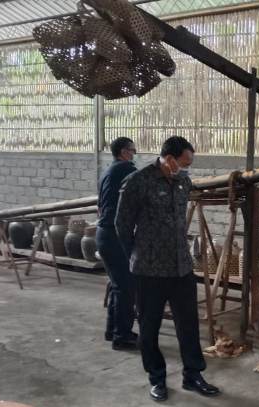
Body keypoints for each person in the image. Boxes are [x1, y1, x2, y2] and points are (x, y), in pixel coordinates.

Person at [115, 136, 219, 402]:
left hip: (181, 267)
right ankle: (157, 379)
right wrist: (136, 257)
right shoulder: (138, 182)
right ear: (169, 158)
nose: (185, 169)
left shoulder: (183, 182)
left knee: (189, 325)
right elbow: (122, 225)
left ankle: (193, 375)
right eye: (183, 163)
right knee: (149, 328)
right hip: (148, 271)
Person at [97, 137, 138, 351]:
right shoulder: (126, 169)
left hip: (103, 234)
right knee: (126, 287)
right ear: (123, 152)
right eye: (132, 150)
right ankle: (122, 337)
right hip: (114, 235)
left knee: (117, 285)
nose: (134, 154)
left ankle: (112, 330)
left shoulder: (107, 171)